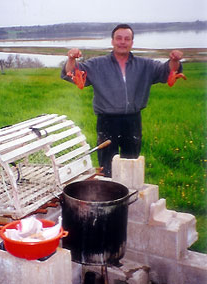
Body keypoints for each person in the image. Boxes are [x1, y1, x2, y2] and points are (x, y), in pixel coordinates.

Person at [61, 24, 183, 177]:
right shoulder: (97, 64)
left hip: (133, 121)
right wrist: (71, 58)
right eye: (119, 38)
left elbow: (168, 72)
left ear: (132, 42)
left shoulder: (145, 65)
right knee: (107, 167)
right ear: (112, 41)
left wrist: (175, 60)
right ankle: (108, 196)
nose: (122, 42)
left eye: (127, 39)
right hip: (107, 121)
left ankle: (129, 195)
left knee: (131, 165)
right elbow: (72, 73)